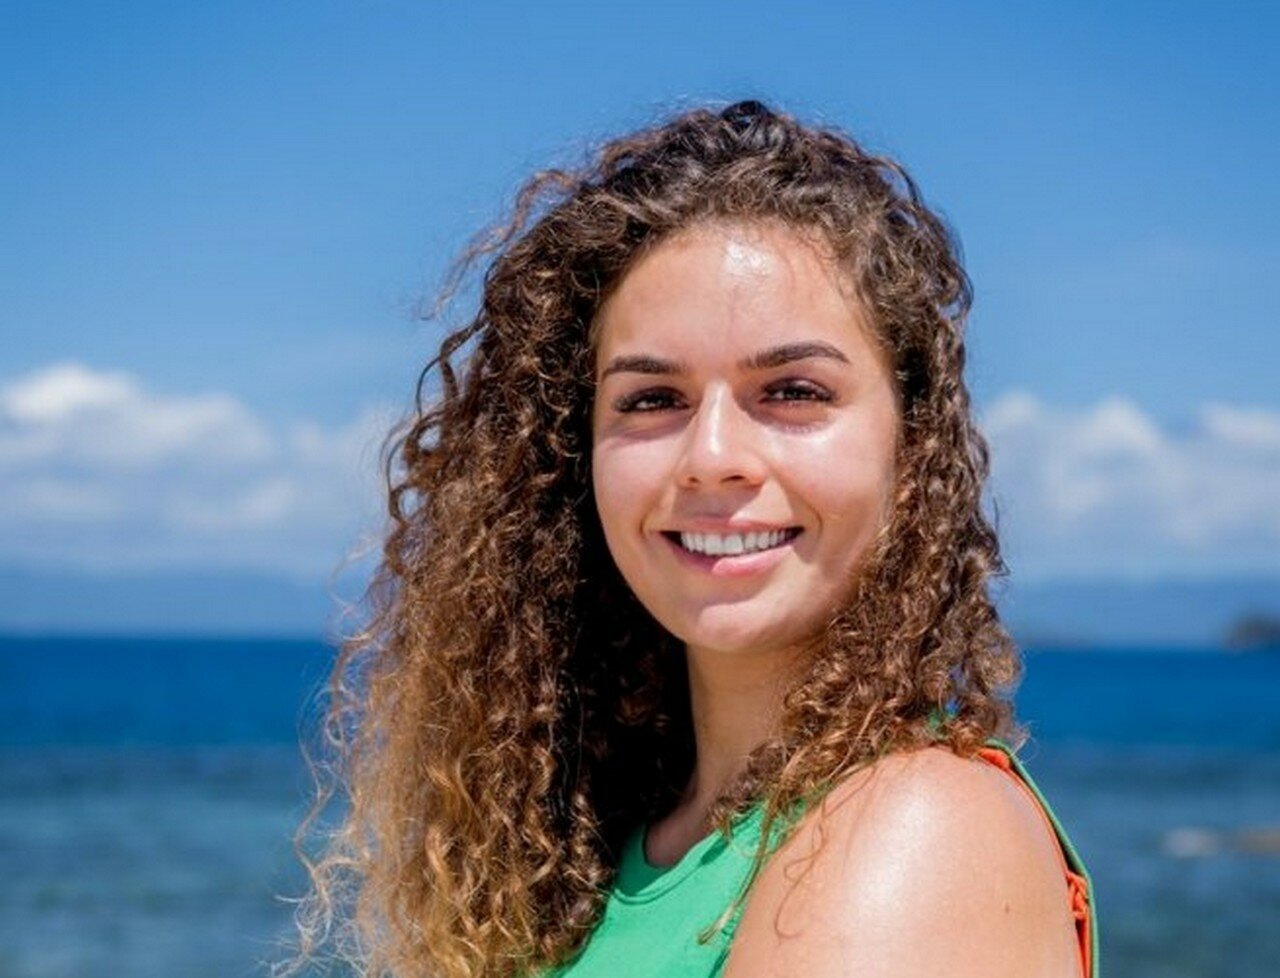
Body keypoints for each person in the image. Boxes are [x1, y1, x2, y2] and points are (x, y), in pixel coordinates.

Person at [287, 100, 1097, 978]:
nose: (711, 458)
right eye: (651, 399)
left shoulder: (917, 826)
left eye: (793, 391)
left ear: (913, 444)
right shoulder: (601, 851)